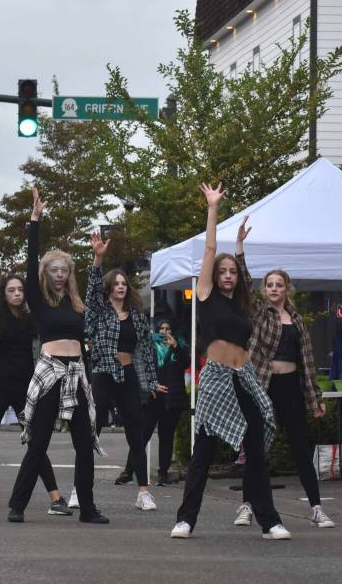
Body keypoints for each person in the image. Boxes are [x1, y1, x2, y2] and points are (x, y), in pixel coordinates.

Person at [170, 186, 289, 540]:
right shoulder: (205, 296)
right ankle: (185, 519)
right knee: (203, 452)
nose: (227, 275)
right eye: (222, 271)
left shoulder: (242, 305)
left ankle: (269, 520)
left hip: (244, 377)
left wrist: (240, 251)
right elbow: (209, 248)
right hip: (217, 378)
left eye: (231, 272)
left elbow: (251, 284)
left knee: (255, 450)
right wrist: (213, 209)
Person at [8, 187, 107, 525]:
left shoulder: (78, 305)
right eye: (54, 269)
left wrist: (97, 259)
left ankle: (88, 508)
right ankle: (17, 505)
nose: (60, 273)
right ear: (46, 274)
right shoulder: (37, 299)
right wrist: (34, 220)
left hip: (77, 371)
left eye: (64, 269)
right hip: (50, 370)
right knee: (39, 442)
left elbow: (95, 293)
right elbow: (31, 257)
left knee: (85, 441)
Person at [0, 227, 69, 516]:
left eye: (20, 289)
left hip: (28, 389)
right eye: (11, 290)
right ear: (4, 294)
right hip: (0, 387)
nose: (17, 293)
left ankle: (56, 498)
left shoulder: (35, 319)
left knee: (35, 442)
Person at [231, 228, 334, 528]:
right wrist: (240, 247)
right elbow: (245, 285)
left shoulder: (298, 321)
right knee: (256, 447)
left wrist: (315, 398)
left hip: (290, 387)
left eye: (280, 285)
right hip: (262, 385)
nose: (274, 289)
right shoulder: (260, 312)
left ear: (288, 289)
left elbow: (308, 363)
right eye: (270, 285)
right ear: (265, 290)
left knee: (300, 447)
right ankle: (247, 506)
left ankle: (316, 508)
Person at [86, 233, 162, 512]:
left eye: (123, 283)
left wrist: (151, 381)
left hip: (128, 374)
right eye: (115, 283)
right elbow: (92, 291)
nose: (120, 286)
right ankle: (78, 488)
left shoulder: (138, 316)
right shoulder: (99, 312)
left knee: (137, 434)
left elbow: (145, 351)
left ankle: (143, 492)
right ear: (108, 288)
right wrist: (98, 258)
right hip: (104, 373)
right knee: (93, 430)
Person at [117, 318, 188, 486]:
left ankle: (163, 474)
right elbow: (140, 366)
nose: (164, 331)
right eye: (161, 328)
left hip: (172, 399)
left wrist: (176, 346)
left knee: (167, 438)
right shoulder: (148, 345)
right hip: (152, 398)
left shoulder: (179, 345)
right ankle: (129, 471)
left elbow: (185, 364)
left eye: (168, 328)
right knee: (141, 436)